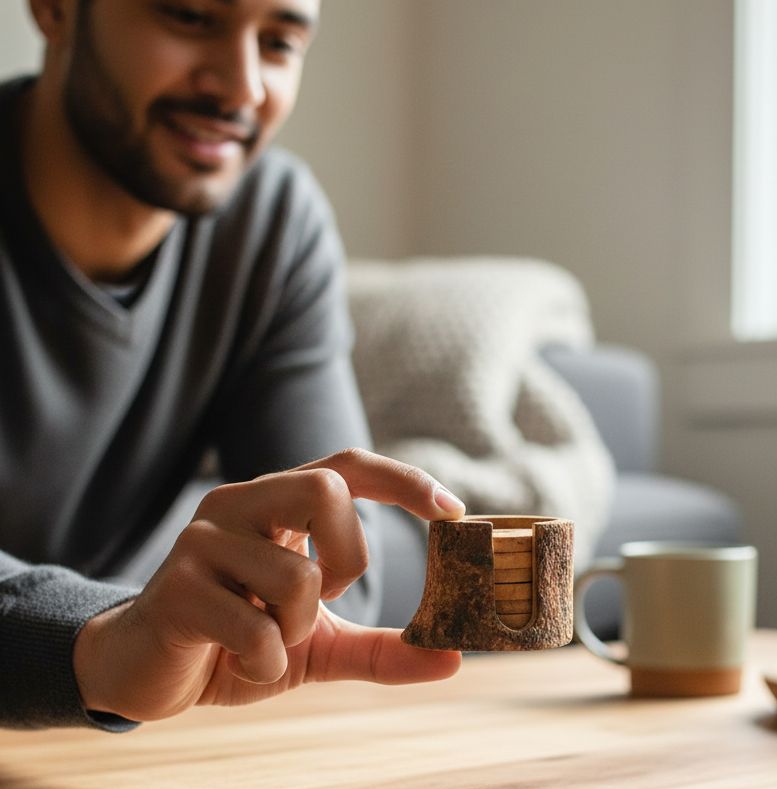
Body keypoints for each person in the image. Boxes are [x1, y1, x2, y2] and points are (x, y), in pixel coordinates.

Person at [0, 0, 464, 731]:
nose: (241, 87)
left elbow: (328, 578)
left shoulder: (271, 223)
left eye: (278, 42)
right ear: (55, 9)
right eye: (189, 17)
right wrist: (99, 640)